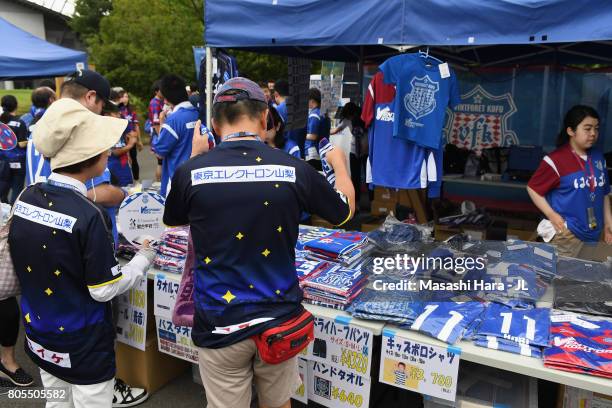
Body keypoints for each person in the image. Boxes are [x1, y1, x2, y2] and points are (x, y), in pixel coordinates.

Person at [163, 77, 355, 408]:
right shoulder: (294, 168)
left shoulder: (191, 172)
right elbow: (344, 213)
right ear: (266, 118)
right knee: (279, 403)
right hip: (278, 317)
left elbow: (173, 218)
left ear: (213, 123)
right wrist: (339, 163)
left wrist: (194, 156)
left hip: (219, 320)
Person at [10, 97, 155, 408]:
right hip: (84, 341)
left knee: (57, 401)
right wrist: (143, 258)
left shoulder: (25, 197)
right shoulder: (90, 215)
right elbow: (104, 289)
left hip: (38, 333)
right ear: (95, 157)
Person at [527, 105, 612, 258]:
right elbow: (533, 188)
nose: (593, 133)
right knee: (560, 279)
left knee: (582, 277)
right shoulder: (555, 160)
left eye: (596, 128)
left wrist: (608, 223)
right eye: (587, 128)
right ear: (571, 131)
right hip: (567, 233)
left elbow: (604, 193)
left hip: (593, 232)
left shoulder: (599, 157)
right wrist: (551, 214)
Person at [152, 74, 199, 197]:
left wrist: (162, 122)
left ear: (166, 99)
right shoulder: (197, 113)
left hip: (176, 181)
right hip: (197, 178)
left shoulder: (173, 120)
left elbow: (159, 152)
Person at [330, 102, 365, 206]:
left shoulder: (364, 118)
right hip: (354, 151)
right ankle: (356, 201)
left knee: (368, 178)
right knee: (355, 177)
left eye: (350, 115)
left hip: (366, 151)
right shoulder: (347, 120)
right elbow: (335, 130)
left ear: (354, 113)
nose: (349, 118)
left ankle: (371, 202)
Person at [0, 95, 28, 204]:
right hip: (17, 162)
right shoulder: (19, 122)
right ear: (16, 106)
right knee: (17, 191)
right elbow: (21, 144)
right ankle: (13, 216)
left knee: (3, 191)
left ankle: (4, 215)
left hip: (3, 162)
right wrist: (31, 141)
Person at [118, 89, 141, 182]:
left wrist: (139, 140)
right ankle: (126, 181)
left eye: (126, 96)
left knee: (134, 159)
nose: (125, 99)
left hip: (132, 138)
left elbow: (136, 125)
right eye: (123, 96)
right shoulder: (117, 110)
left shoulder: (131, 110)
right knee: (125, 160)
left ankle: (136, 180)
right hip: (122, 139)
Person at [148, 81, 164, 182]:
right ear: (156, 91)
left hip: (159, 133)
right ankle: (158, 183)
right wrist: (161, 138)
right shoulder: (154, 103)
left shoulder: (160, 102)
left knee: (161, 162)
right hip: (157, 134)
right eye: (161, 90)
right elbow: (156, 123)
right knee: (160, 162)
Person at [305, 88, 323, 170]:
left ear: (312, 101)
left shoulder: (314, 115)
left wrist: (301, 135)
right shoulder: (321, 112)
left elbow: (313, 136)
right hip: (319, 149)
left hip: (312, 151)